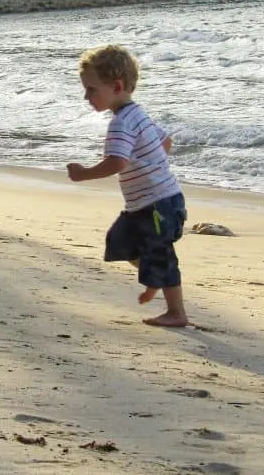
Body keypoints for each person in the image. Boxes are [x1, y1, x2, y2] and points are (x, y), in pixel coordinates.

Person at [66, 45, 189, 327]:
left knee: (162, 255)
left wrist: (84, 174)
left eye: (91, 90)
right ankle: (153, 275)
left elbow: (117, 163)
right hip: (145, 204)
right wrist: (149, 161)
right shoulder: (136, 114)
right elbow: (165, 142)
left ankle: (177, 312)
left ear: (117, 86)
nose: (86, 97)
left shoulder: (122, 123)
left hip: (159, 203)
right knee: (118, 242)